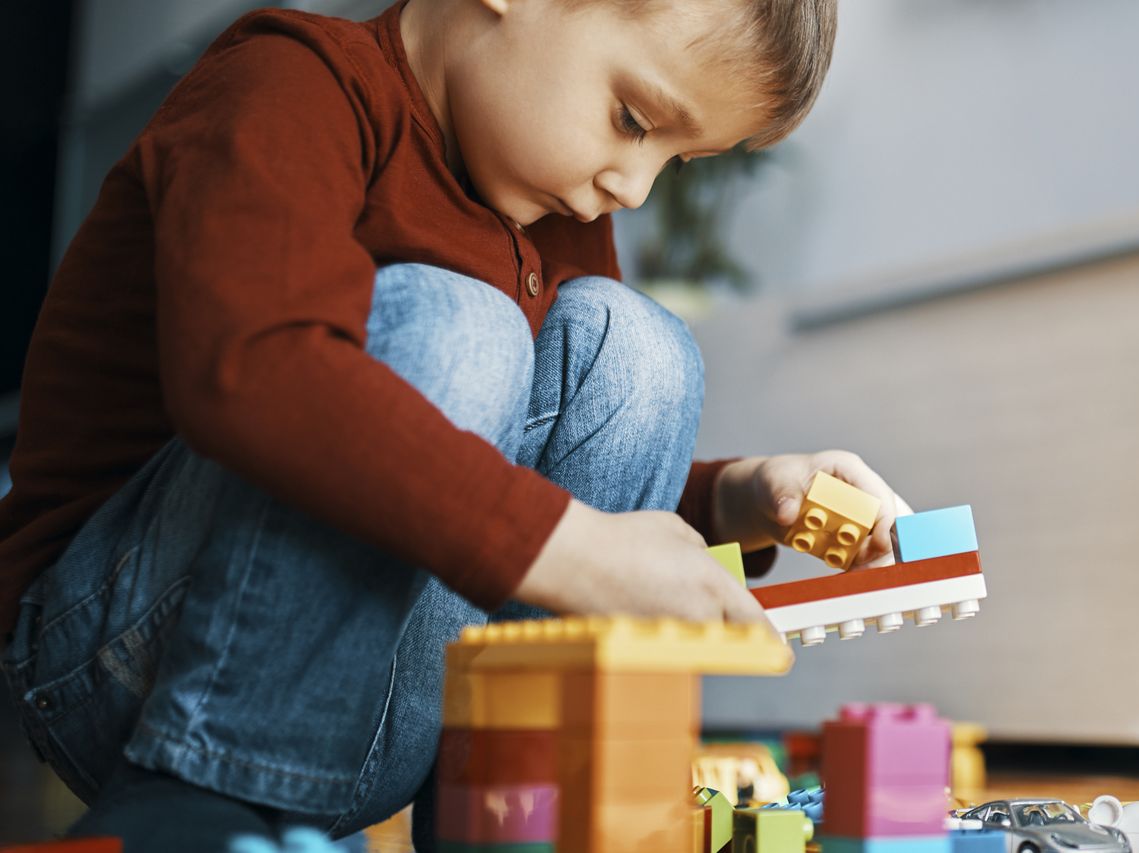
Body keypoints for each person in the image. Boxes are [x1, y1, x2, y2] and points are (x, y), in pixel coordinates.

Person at [0, 0, 910, 849]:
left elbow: (527, 475)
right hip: (132, 669)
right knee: (461, 323)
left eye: (677, 161)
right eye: (633, 119)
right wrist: (578, 551)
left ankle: (522, 807)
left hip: (383, 697)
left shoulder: (547, 200)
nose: (634, 188)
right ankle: (209, 802)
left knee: (637, 346)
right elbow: (255, 372)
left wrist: (742, 497)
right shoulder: (290, 82)